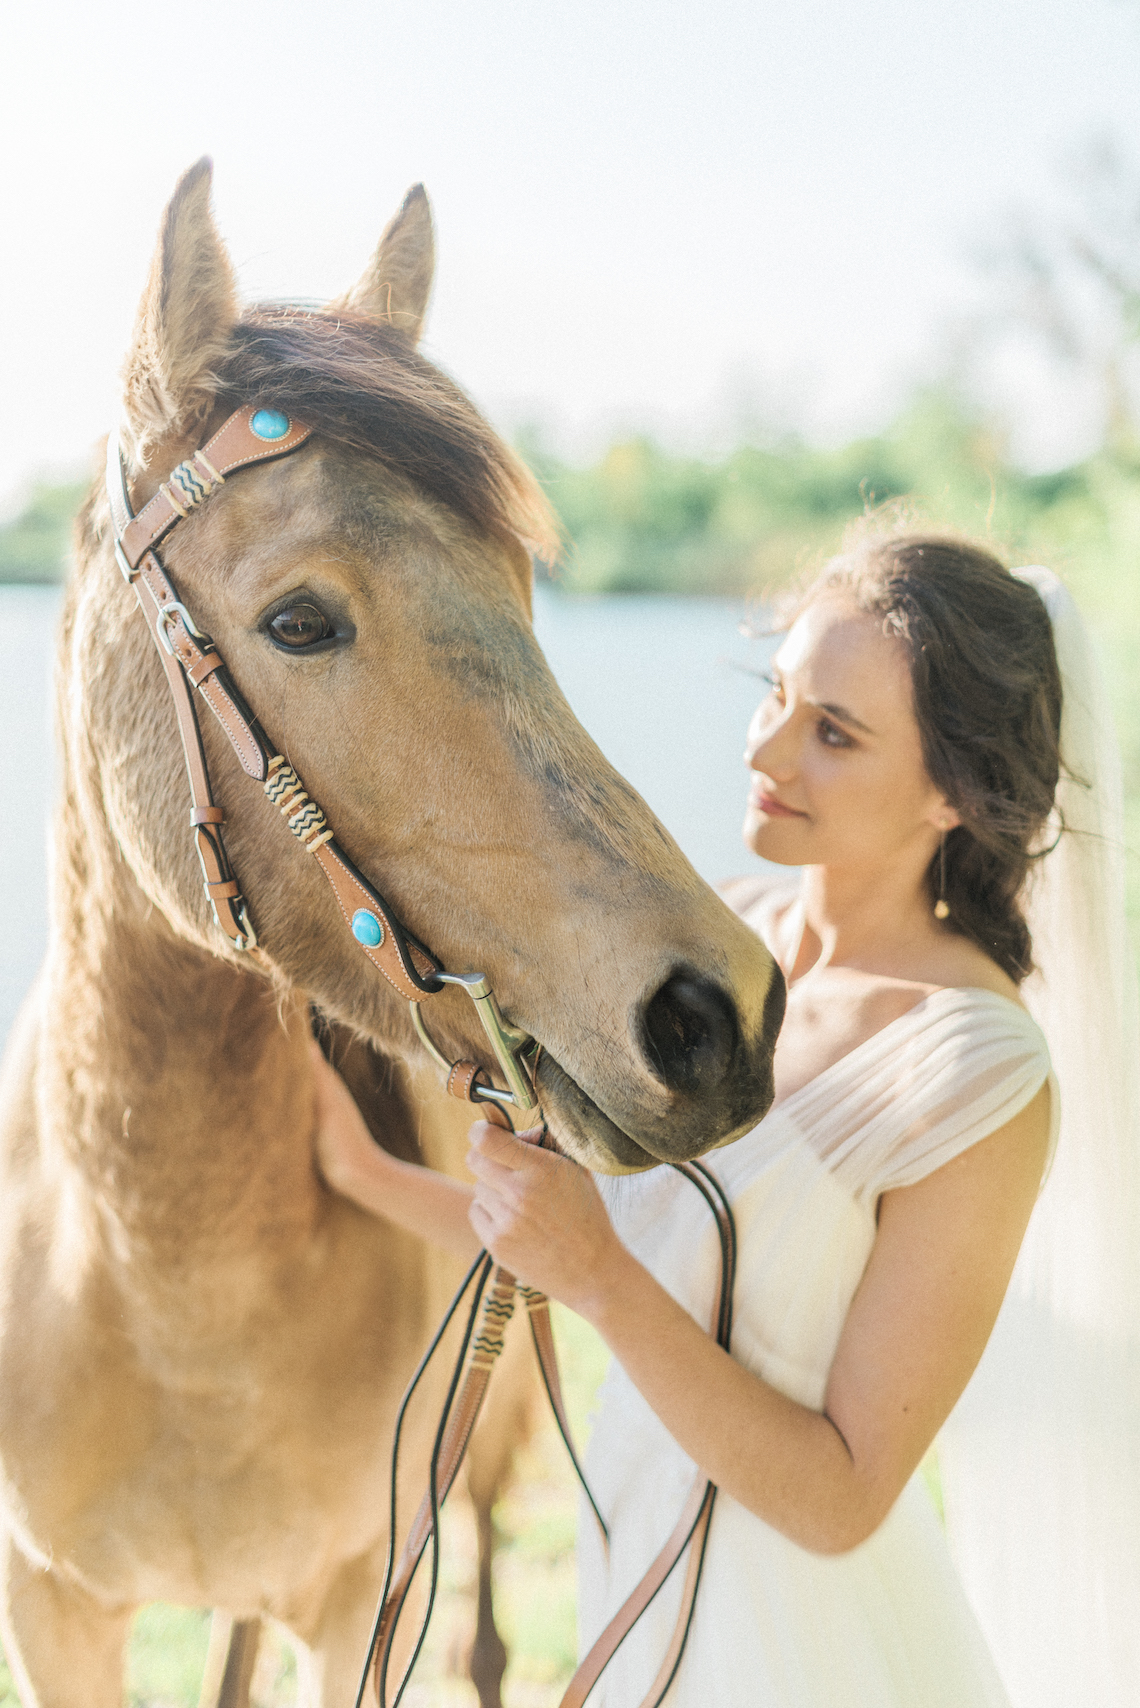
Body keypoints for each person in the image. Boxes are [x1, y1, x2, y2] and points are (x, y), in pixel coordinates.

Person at [315, 528, 1140, 1707]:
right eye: (780, 695)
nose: (768, 748)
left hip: (795, 1643)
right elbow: (593, 1232)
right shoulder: (723, 943)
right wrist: (358, 1170)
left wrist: (595, 1277)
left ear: (954, 792)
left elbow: (844, 1494)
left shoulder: (981, 1073)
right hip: (633, 1564)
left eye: (834, 734)